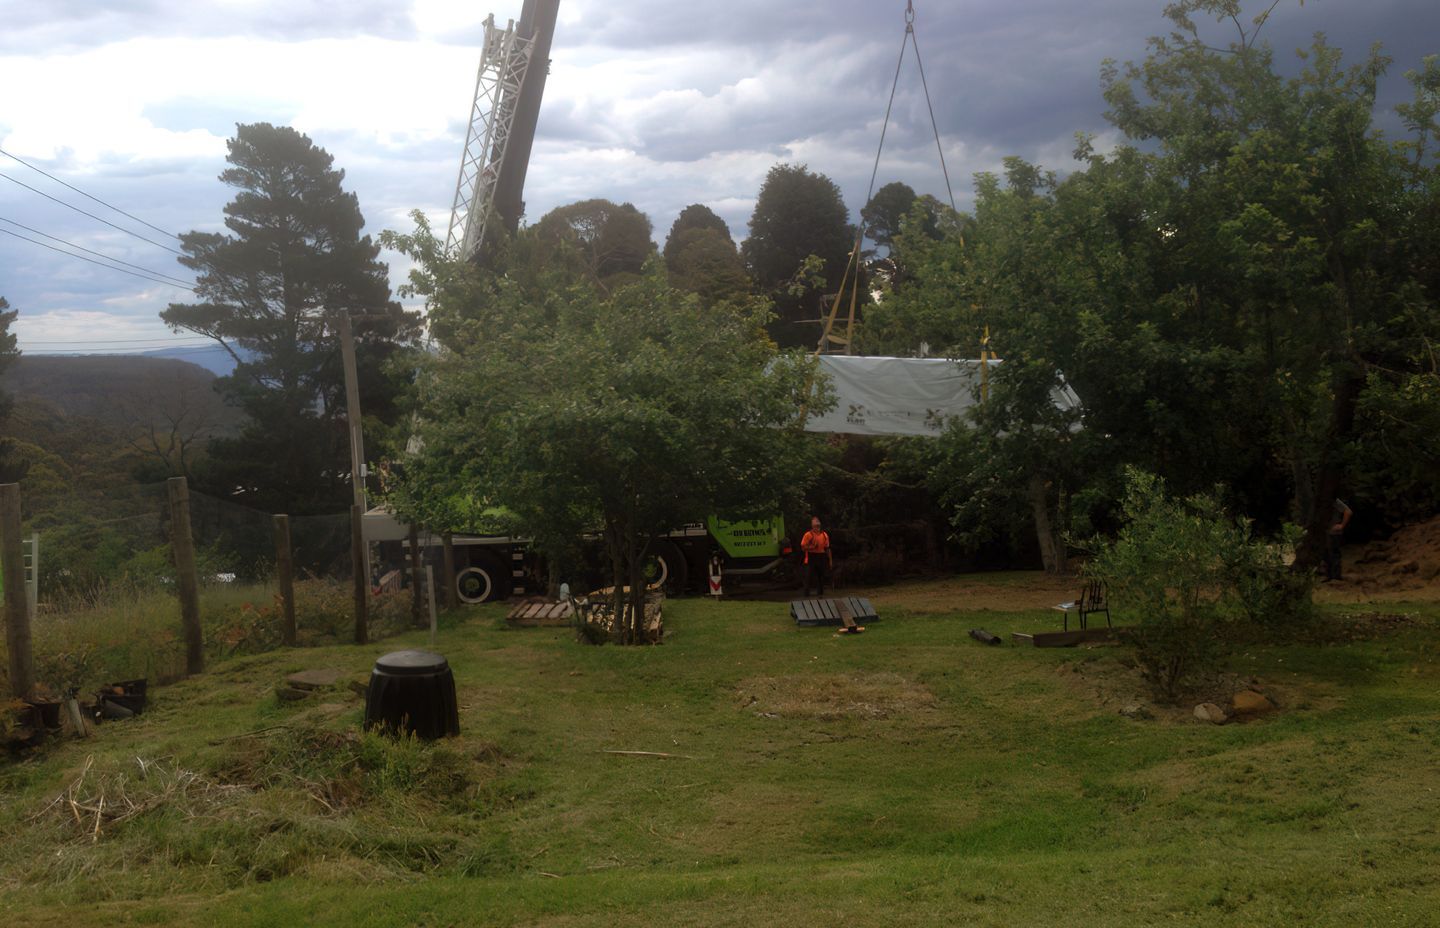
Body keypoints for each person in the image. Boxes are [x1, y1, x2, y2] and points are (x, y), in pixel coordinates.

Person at [800, 516, 832, 597]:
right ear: (812, 526)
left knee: (821, 576)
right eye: (815, 524)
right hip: (810, 557)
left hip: (821, 556)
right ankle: (806, 595)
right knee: (808, 577)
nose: (817, 526)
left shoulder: (824, 535)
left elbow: (827, 548)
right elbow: (803, 547)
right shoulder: (808, 535)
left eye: (818, 524)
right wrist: (812, 547)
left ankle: (820, 594)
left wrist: (830, 561)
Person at [1326, 497, 1352, 582]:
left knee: (1334, 554)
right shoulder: (1321, 501)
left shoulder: (1335, 501)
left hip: (1334, 532)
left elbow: (1348, 511)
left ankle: (1336, 576)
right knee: (1327, 554)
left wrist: (1342, 525)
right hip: (1326, 532)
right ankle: (1329, 576)